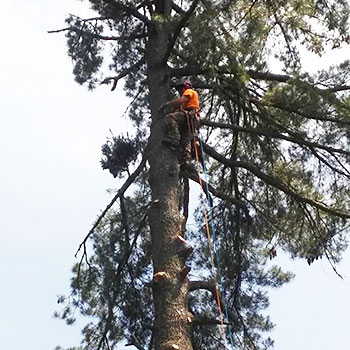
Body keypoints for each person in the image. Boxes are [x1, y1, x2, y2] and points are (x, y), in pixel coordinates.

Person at [160, 81, 201, 163]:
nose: (179, 91)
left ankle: (173, 137)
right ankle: (185, 160)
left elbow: (180, 101)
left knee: (170, 117)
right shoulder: (185, 102)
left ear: (186, 87)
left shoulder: (189, 91)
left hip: (190, 115)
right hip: (191, 120)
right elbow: (178, 107)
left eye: (180, 89)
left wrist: (167, 104)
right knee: (185, 140)